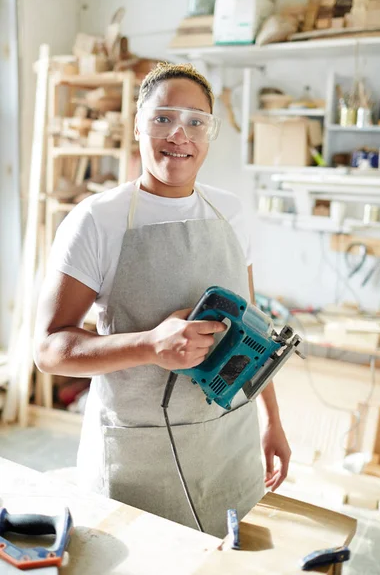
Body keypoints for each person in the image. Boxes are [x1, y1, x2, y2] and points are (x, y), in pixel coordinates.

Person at [34, 62, 291, 538]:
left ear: (209, 134)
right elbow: (49, 350)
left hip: (227, 445)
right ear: (137, 124)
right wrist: (150, 345)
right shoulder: (97, 221)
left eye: (196, 121)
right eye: (163, 118)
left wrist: (272, 420)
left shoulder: (231, 213)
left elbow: (255, 328)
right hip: (139, 456)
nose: (180, 134)